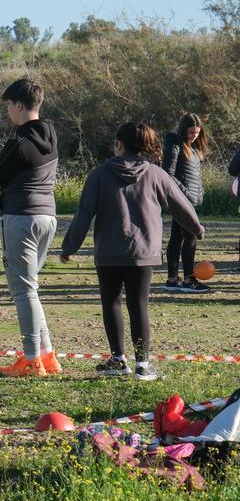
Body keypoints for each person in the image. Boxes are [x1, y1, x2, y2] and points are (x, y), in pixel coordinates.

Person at [59, 123, 204, 381]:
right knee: (139, 305)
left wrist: (69, 246)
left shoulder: (99, 175)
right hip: (143, 251)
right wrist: (197, 228)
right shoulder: (156, 174)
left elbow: (83, 214)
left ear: (119, 144)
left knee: (111, 302)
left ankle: (117, 360)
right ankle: (142, 365)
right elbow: (180, 204)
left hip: (108, 253)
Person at [0, 78, 62, 377]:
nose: (7, 113)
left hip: (20, 217)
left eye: (7, 107)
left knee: (23, 291)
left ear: (18, 105)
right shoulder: (52, 137)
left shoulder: (20, 143)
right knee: (32, 289)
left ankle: (30, 359)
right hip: (48, 216)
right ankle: (47, 355)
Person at [161, 113, 209, 293]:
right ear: (183, 130)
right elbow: (168, 174)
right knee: (190, 237)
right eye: (191, 132)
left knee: (177, 237)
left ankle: (172, 279)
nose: (194, 135)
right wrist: (185, 194)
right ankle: (189, 279)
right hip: (181, 201)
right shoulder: (176, 146)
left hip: (190, 201)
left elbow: (195, 178)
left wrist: (199, 194)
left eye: (197, 132)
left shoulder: (194, 150)